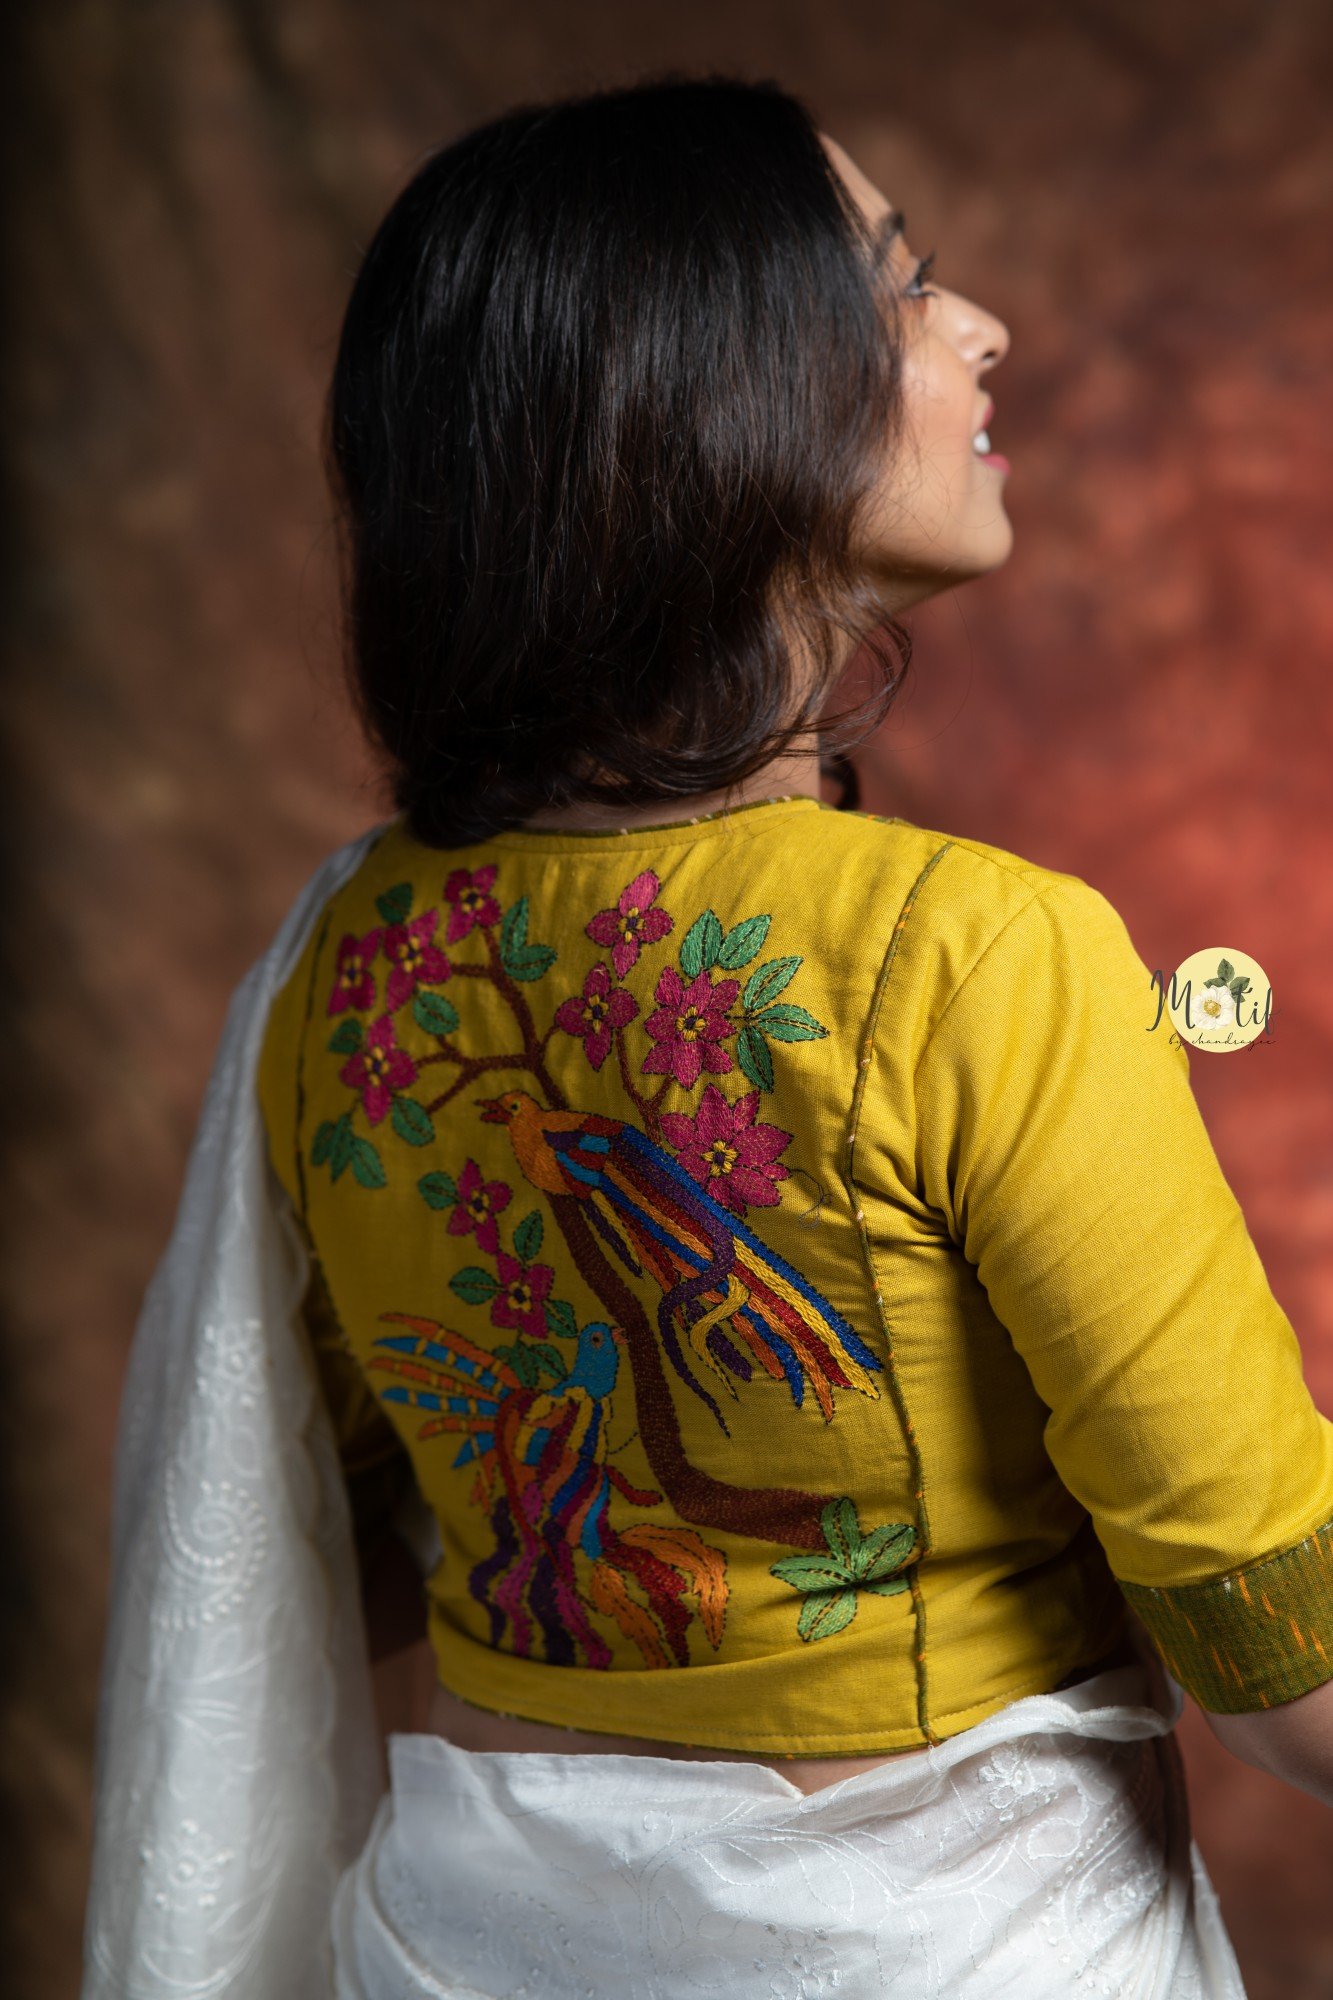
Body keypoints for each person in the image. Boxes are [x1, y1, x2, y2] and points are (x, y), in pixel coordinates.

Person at [81, 73, 1333, 2000]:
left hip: (458, 1942)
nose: (978, 327)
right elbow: (1282, 1663)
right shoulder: (975, 956)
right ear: (711, 401)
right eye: (897, 286)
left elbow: (330, 1555)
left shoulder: (343, 962)